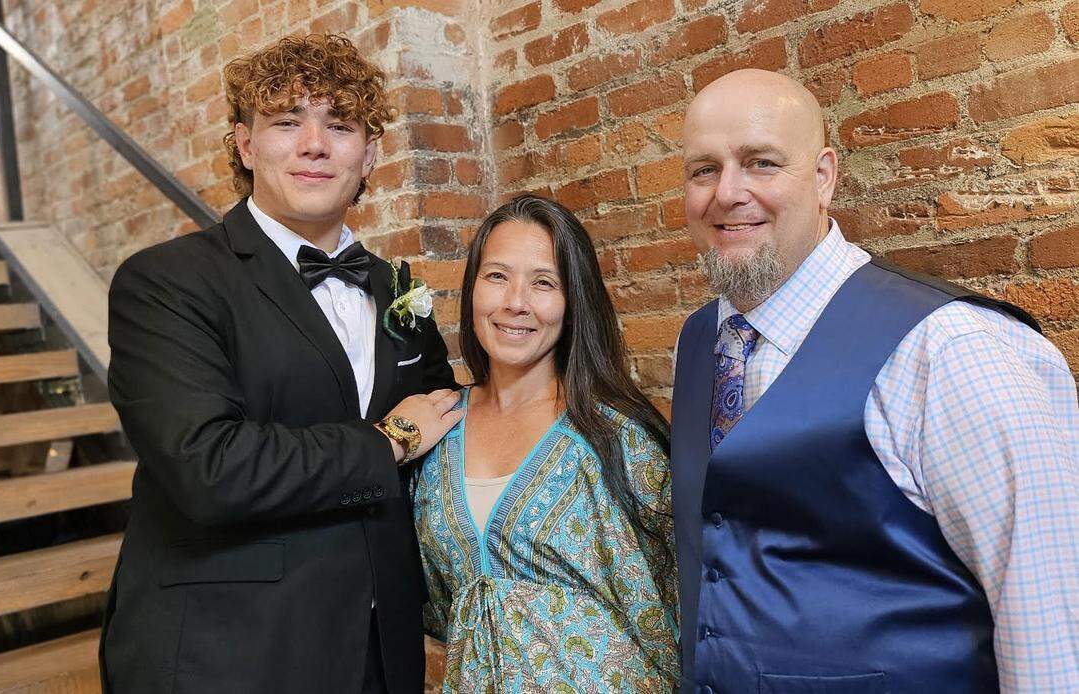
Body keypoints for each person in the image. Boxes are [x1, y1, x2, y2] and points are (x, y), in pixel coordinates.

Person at [671, 68, 1079, 692]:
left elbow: (1047, 619)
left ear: (824, 176)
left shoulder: (950, 349)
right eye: (704, 169)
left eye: (761, 163)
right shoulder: (698, 342)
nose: (727, 192)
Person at [99, 34, 462, 693]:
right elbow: (210, 469)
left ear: (369, 152)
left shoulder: (396, 290)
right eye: (287, 122)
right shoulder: (166, 282)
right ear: (245, 144)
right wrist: (388, 443)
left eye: (341, 126)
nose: (314, 145)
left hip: (380, 652)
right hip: (228, 653)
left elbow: (444, 424)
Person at [412, 195, 680, 692]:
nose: (516, 301)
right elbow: (436, 603)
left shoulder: (615, 439)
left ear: (573, 302)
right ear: (472, 290)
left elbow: (668, 615)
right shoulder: (439, 429)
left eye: (543, 282)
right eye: (497, 276)